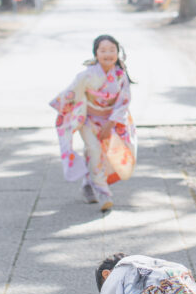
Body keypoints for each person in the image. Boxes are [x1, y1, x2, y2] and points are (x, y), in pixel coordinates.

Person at [49, 35, 136, 212]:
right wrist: (61, 108)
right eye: (103, 50)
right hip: (88, 120)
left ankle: (88, 184)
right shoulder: (86, 76)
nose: (108, 54)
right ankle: (104, 193)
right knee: (95, 150)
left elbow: (124, 101)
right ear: (96, 54)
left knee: (107, 154)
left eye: (112, 50)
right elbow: (71, 93)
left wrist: (110, 124)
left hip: (111, 120)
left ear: (117, 53)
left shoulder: (120, 75)